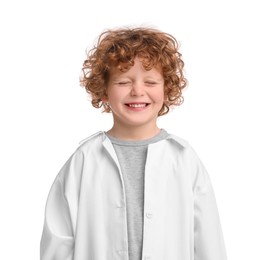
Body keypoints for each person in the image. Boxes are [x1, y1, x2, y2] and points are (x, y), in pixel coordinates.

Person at [40, 27, 227, 260]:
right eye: (123, 82)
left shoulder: (184, 159)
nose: (138, 91)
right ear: (104, 91)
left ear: (167, 90)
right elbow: (58, 243)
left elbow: (208, 242)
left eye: (150, 82)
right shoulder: (84, 161)